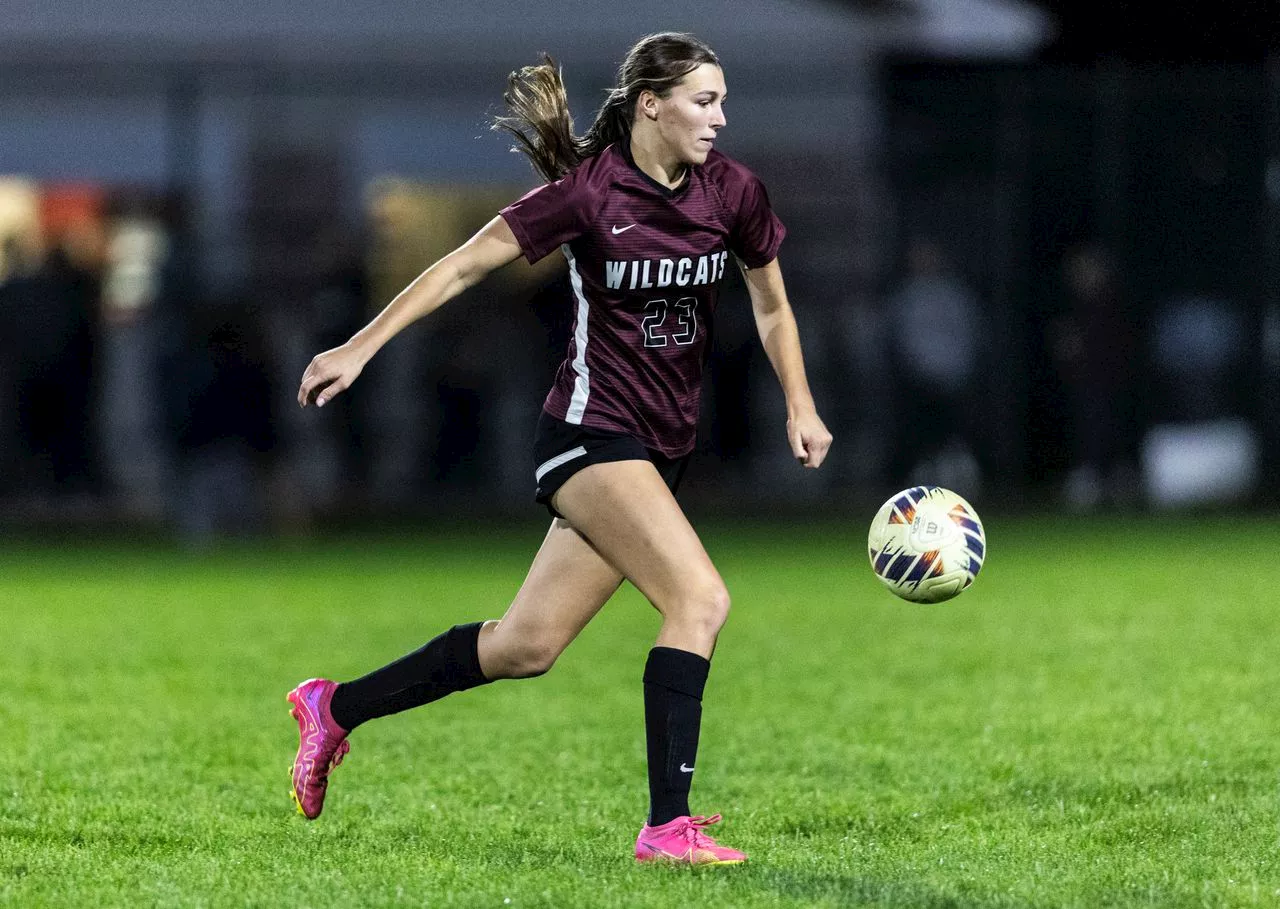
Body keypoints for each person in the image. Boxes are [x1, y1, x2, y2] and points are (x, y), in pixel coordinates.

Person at [288, 32, 832, 866]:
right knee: (700, 600)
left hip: (660, 449)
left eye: (722, 101)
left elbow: (772, 306)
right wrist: (361, 345)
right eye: (704, 100)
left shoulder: (733, 192)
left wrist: (799, 401)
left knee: (525, 646)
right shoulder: (588, 193)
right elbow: (466, 265)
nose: (720, 118)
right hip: (588, 433)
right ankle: (667, 826)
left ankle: (333, 707)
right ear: (651, 104)